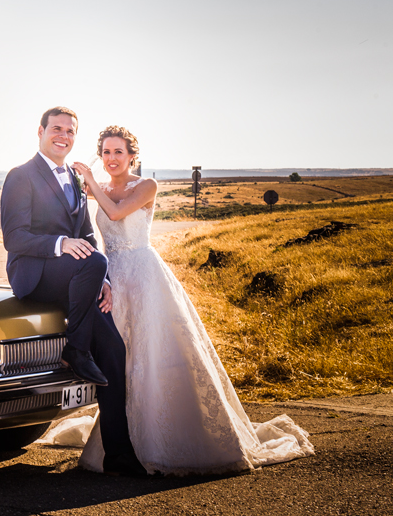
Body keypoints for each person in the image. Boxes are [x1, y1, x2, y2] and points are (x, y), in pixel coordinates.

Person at [58, 125, 314, 475]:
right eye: (105, 152)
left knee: (156, 353)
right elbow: (88, 226)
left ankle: (166, 438)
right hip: (114, 278)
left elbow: (116, 213)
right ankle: (121, 441)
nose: (111, 159)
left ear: (132, 155)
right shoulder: (98, 188)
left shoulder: (146, 186)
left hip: (145, 276)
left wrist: (90, 181)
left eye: (119, 152)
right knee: (121, 359)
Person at [0, 107, 145, 476]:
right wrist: (61, 243)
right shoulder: (20, 176)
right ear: (41, 131)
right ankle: (76, 349)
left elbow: (90, 237)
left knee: (114, 349)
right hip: (35, 273)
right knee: (92, 261)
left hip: (78, 278)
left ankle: (120, 455)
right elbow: (14, 237)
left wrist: (105, 280)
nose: (63, 135)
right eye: (56, 128)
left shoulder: (76, 180)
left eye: (70, 131)